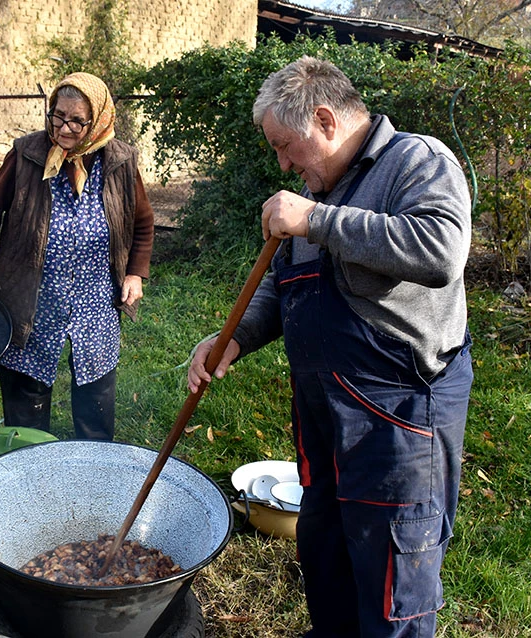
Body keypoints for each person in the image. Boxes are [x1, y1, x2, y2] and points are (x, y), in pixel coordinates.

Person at [187, 57, 473, 638]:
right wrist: (234, 337)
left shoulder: (416, 161)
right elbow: (282, 282)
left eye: (284, 146)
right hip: (324, 417)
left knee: (393, 580)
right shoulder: (314, 192)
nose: (283, 164)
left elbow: (441, 250)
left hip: (399, 421)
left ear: (324, 120)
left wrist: (317, 219)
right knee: (327, 556)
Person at [0, 72, 154, 440]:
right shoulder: (27, 153)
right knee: (25, 389)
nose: (64, 128)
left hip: (95, 296)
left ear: (98, 120)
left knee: (95, 391)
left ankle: (94, 464)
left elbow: (141, 221)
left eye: (77, 121)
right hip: (32, 294)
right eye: (58, 116)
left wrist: (134, 274)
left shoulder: (121, 161)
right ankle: (28, 461)